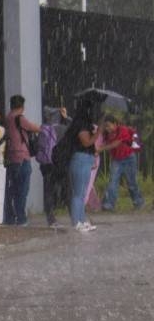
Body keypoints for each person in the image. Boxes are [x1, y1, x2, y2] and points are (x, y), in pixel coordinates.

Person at [3, 95, 40, 226]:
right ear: (22, 107)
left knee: (12, 190)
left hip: (11, 157)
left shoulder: (7, 118)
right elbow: (34, 128)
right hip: (22, 157)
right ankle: (21, 218)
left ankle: (10, 217)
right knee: (22, 190)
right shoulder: (19, 118)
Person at [66, 99, 101, 232]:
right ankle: (76, 222)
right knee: (78, 193)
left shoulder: (85, 123)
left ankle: (81, 220)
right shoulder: (81, 124)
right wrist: (98, 133)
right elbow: (86, 142)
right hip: (80, 159)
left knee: (82, 193)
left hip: (85, 159)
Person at [99, 114, 144, 211]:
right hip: (116, 160)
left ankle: (138, 202)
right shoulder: (106, 134)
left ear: (115, 124)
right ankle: (109, 204)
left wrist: (101, 149)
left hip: (129, 159)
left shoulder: (122, 129)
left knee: (132, 182)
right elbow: (103, 141)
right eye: (105, 126)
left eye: (108, 125)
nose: (107, 128)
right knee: (113, 182)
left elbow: (116, 144)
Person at [37, 106, 69, 228]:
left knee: (48, 189)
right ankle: (67, 211)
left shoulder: (43, 129)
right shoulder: (62, 128)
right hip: (58, 162)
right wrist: (66, 118)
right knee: (62, 187)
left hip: (45, 163)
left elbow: (37, 147)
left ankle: (50, 216)